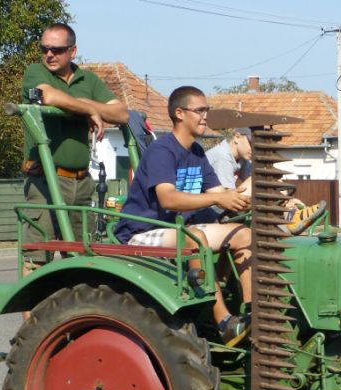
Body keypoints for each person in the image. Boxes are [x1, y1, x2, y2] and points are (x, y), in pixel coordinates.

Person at [114, 86, 252, 345]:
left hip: (177, 230)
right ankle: (223, 322)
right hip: (141, 233)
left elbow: (220, 193)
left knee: (243, 234)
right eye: (199, 110)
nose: (205, 116)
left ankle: (253, 313)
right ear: (179, 113)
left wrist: (252, 193)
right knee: (195, 237)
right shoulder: (162, 151)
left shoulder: (197, 152)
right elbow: (168, 199)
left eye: (206, 110)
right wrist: (218, 198)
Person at [20, 22, 128, 317]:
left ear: (73, 51)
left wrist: (83, 104)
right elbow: (48, 96)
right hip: (46, 181)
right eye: (44, 48)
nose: (49, 54)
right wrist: (91, 111)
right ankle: (32, 337)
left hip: (82, 183)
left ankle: (74, 328)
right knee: (36, 260)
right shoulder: (36, 72)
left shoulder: (86, 79)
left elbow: (120, 113)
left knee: (81, 260)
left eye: (57, 49)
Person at [192, 127, 325, 234]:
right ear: (237, 137)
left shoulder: (241, 158)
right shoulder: (222, 157)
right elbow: (226, 198)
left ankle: (292, 213)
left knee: (269, 180)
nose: (253, 149)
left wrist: (287, 198)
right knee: (259, 178)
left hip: (222, 208)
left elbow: (265, 181)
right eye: (251, 144)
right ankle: (289, 216)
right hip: (207, 212)